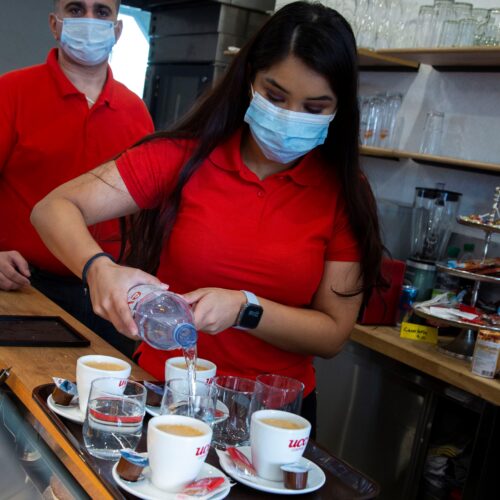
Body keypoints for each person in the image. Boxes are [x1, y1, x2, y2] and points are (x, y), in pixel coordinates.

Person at [31, 1, 386, 429]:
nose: (290, 116)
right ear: (250, 80)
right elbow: (52, 208)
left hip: (272, 418)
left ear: (340, 108)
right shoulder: (183, 157)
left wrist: (245, 309)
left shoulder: (345, 192)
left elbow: (332, 334)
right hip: (164, 395)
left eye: (314, 108)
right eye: (275, 96)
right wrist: (98, 269)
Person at [0, 0, 154, 356]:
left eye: (101, 12)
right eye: (75, 9)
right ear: (55, 24)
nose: (89, 20)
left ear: (117, 30)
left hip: (109, 294)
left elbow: (146, 209)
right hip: (23, 285)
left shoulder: (136, 112)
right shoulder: (10, 92)